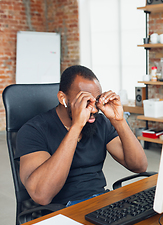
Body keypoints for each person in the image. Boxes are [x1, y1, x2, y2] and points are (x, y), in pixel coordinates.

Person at [15, 65, 148, 207]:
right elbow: (42, 195)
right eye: (85, 100)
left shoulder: (100, 122)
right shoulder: (34, 130)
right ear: (62, 98)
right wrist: (76, 127)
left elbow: (139, 166)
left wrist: (119, 121)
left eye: (96, 100)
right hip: (61, 211)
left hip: (101, 203)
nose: (94, 109)